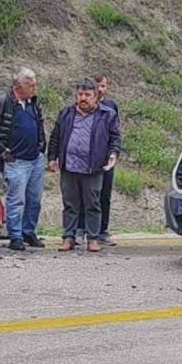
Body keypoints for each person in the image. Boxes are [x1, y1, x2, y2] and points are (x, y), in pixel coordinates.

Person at [47, 79, 121, 252]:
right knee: (70, 204)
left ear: (96, 97)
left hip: (93, 167)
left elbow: (115, 138)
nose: (83, 98)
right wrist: (52, 157)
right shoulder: (66, 113)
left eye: (88, 95)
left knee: (92, 204)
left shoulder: (107, 114)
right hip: (69, 167)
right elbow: (55, 137)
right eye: (80, 94)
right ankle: (68, 237)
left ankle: (93, 238)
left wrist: (113, 154)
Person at [0, 67, 46, 252]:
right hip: (16, 161)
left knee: (35, 200)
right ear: (18, 86)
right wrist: (2, 151)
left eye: (35, 84)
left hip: (36, 159)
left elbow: (39, 124)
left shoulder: (34, 103)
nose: (35, 88)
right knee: (16, 201)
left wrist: (41, 145)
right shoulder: (2, 102)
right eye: (31, 85)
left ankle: (29, 232)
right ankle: (15, 236)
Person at [94, 73, 119, 246]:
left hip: (106, 158)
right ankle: (81, 229)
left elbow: (115, 133)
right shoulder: (84, 106)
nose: (101, 89)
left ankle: (103, 230)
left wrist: (114, 152)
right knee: (87, 195)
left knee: (105, 195)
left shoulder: (111, 107)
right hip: (89, 159)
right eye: (98, 85)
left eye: (104, 85)